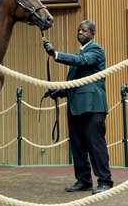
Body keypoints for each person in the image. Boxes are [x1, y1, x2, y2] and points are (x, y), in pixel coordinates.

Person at [43, 20, 113, 195]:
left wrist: (56, 54)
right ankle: (84, 180)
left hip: (92, 107)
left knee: (95, 146)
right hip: (76, 107)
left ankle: (105, 181)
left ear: (92, 34)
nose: (80, 32)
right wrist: (59, 92)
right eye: (79, 30)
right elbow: (78, 84)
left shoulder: (95, 50)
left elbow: (82, 61)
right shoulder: (80, 53)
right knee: (78, 146)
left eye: (84, 30)